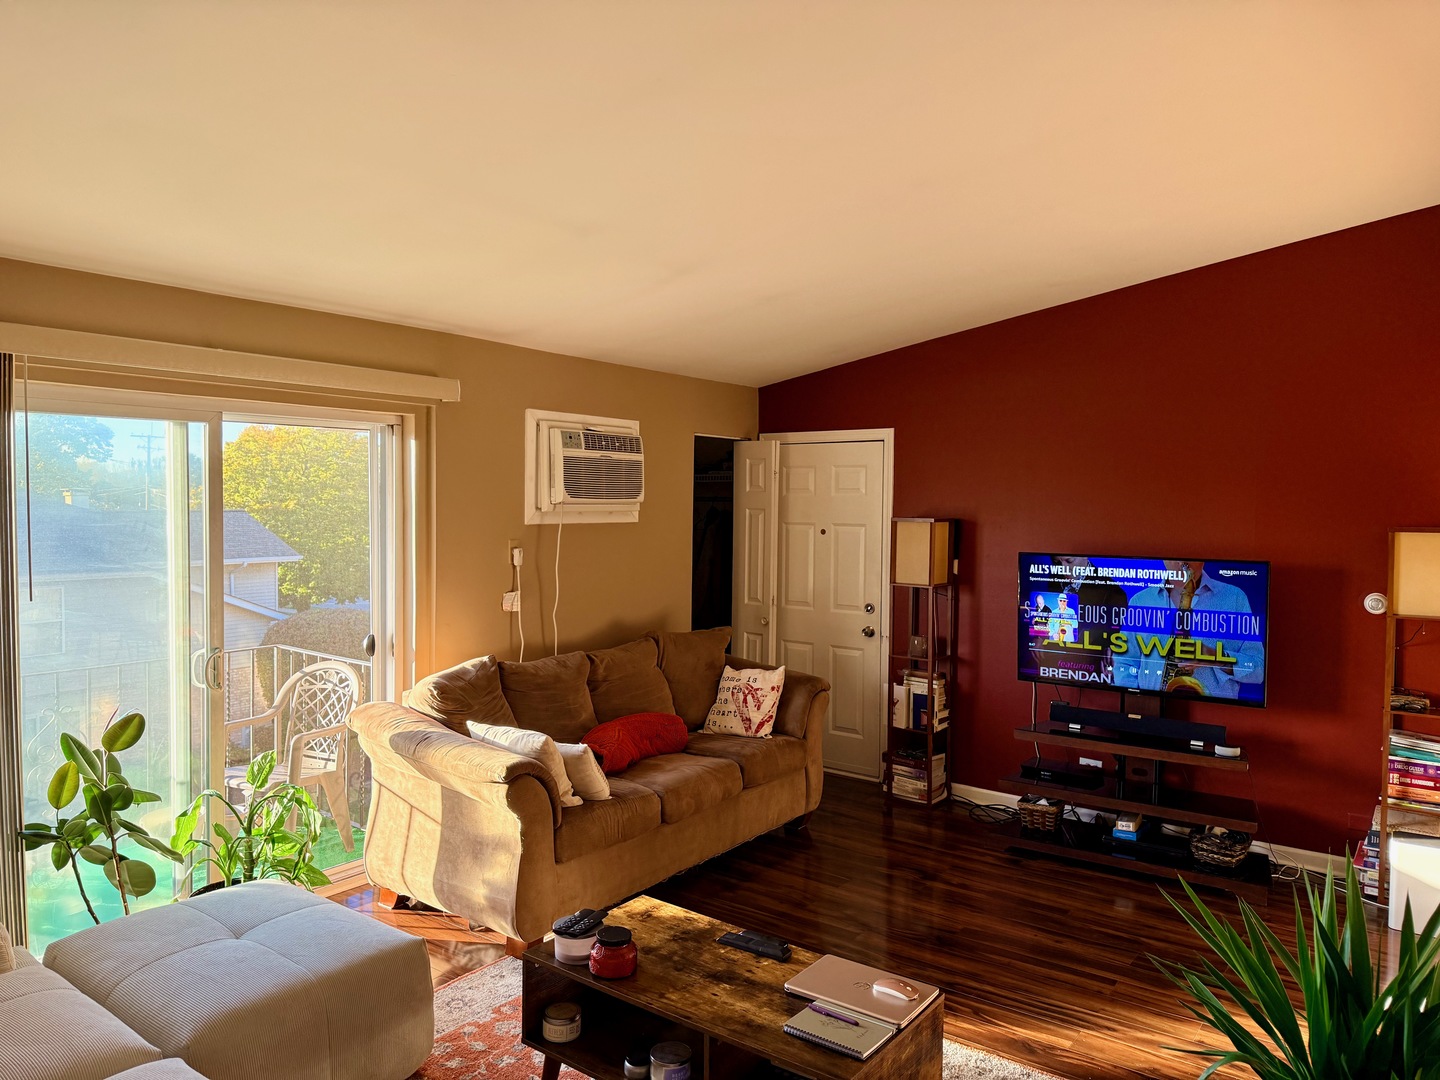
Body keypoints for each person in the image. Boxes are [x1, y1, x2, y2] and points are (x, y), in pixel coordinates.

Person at [1113, 560, 1264, 698]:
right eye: (1173, 556)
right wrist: (1138, 701)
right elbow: (1124, 662)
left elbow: (1258, 670)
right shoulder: (1141, 601)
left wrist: (1216, 657)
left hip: (1211, 715)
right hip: (1153, 714)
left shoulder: (1234, 598)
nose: (1181, 563)